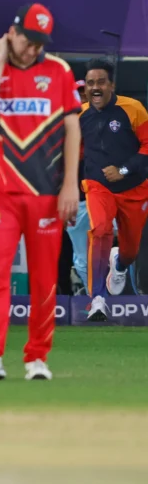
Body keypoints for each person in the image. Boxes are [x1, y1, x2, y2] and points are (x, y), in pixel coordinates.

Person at [0, 3, 80, 381]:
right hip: (1, 192)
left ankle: (36, 358)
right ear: (12, 33)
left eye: (39, 43)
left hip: (47, 193)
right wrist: (1, 59)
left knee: (45, 279)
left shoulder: (59, 71)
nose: (33, 50)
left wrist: (70, 187)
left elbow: (72, 131)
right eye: (28, 41)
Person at [79, 59, 148, 320]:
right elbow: (75, 152)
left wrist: (124, 170)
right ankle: (97, 298)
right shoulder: (80, 114)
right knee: (100, 230)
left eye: (100, 82)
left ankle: (118, 263)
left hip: (135, 188)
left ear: (111, 85)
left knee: (130, 251)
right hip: (98, 187)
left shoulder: (133, 109)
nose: (95, 87)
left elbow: (147, 146)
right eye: (90, 83)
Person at [65, 78, 91, 295]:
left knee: (122, 248)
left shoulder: (105, 119)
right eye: (78, 94)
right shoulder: (63, 123)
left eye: (85, 93)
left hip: (105, 194)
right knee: (81, 255)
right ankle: (97, 298)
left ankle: (117, 296)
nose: (83, 98)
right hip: (78, 199)